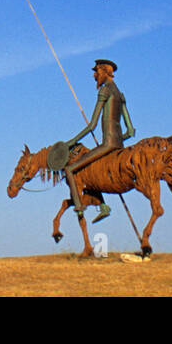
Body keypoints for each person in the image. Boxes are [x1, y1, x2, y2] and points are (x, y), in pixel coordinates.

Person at [62, 59, 135, 222]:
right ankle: (102, 206)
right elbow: (130, 131)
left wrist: (71, 142)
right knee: (90, 168)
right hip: (118, 146)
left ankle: (79, 207)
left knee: (70, 169)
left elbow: (92, 125)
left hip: (107, 145)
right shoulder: (119, 94)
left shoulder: (105, 91)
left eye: (96, 72)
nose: (95, 76)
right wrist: (118, 139)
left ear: (103, 72)